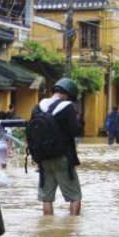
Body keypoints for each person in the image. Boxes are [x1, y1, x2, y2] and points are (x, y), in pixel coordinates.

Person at [32, 77, 83, 216]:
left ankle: (47, 225)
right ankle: (73, 227)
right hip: (63, 158)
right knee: (75, 196)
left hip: (43, 159)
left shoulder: (38, 107)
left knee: (46, 198)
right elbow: (76, 131)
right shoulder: (67, 108)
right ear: (68, 94)